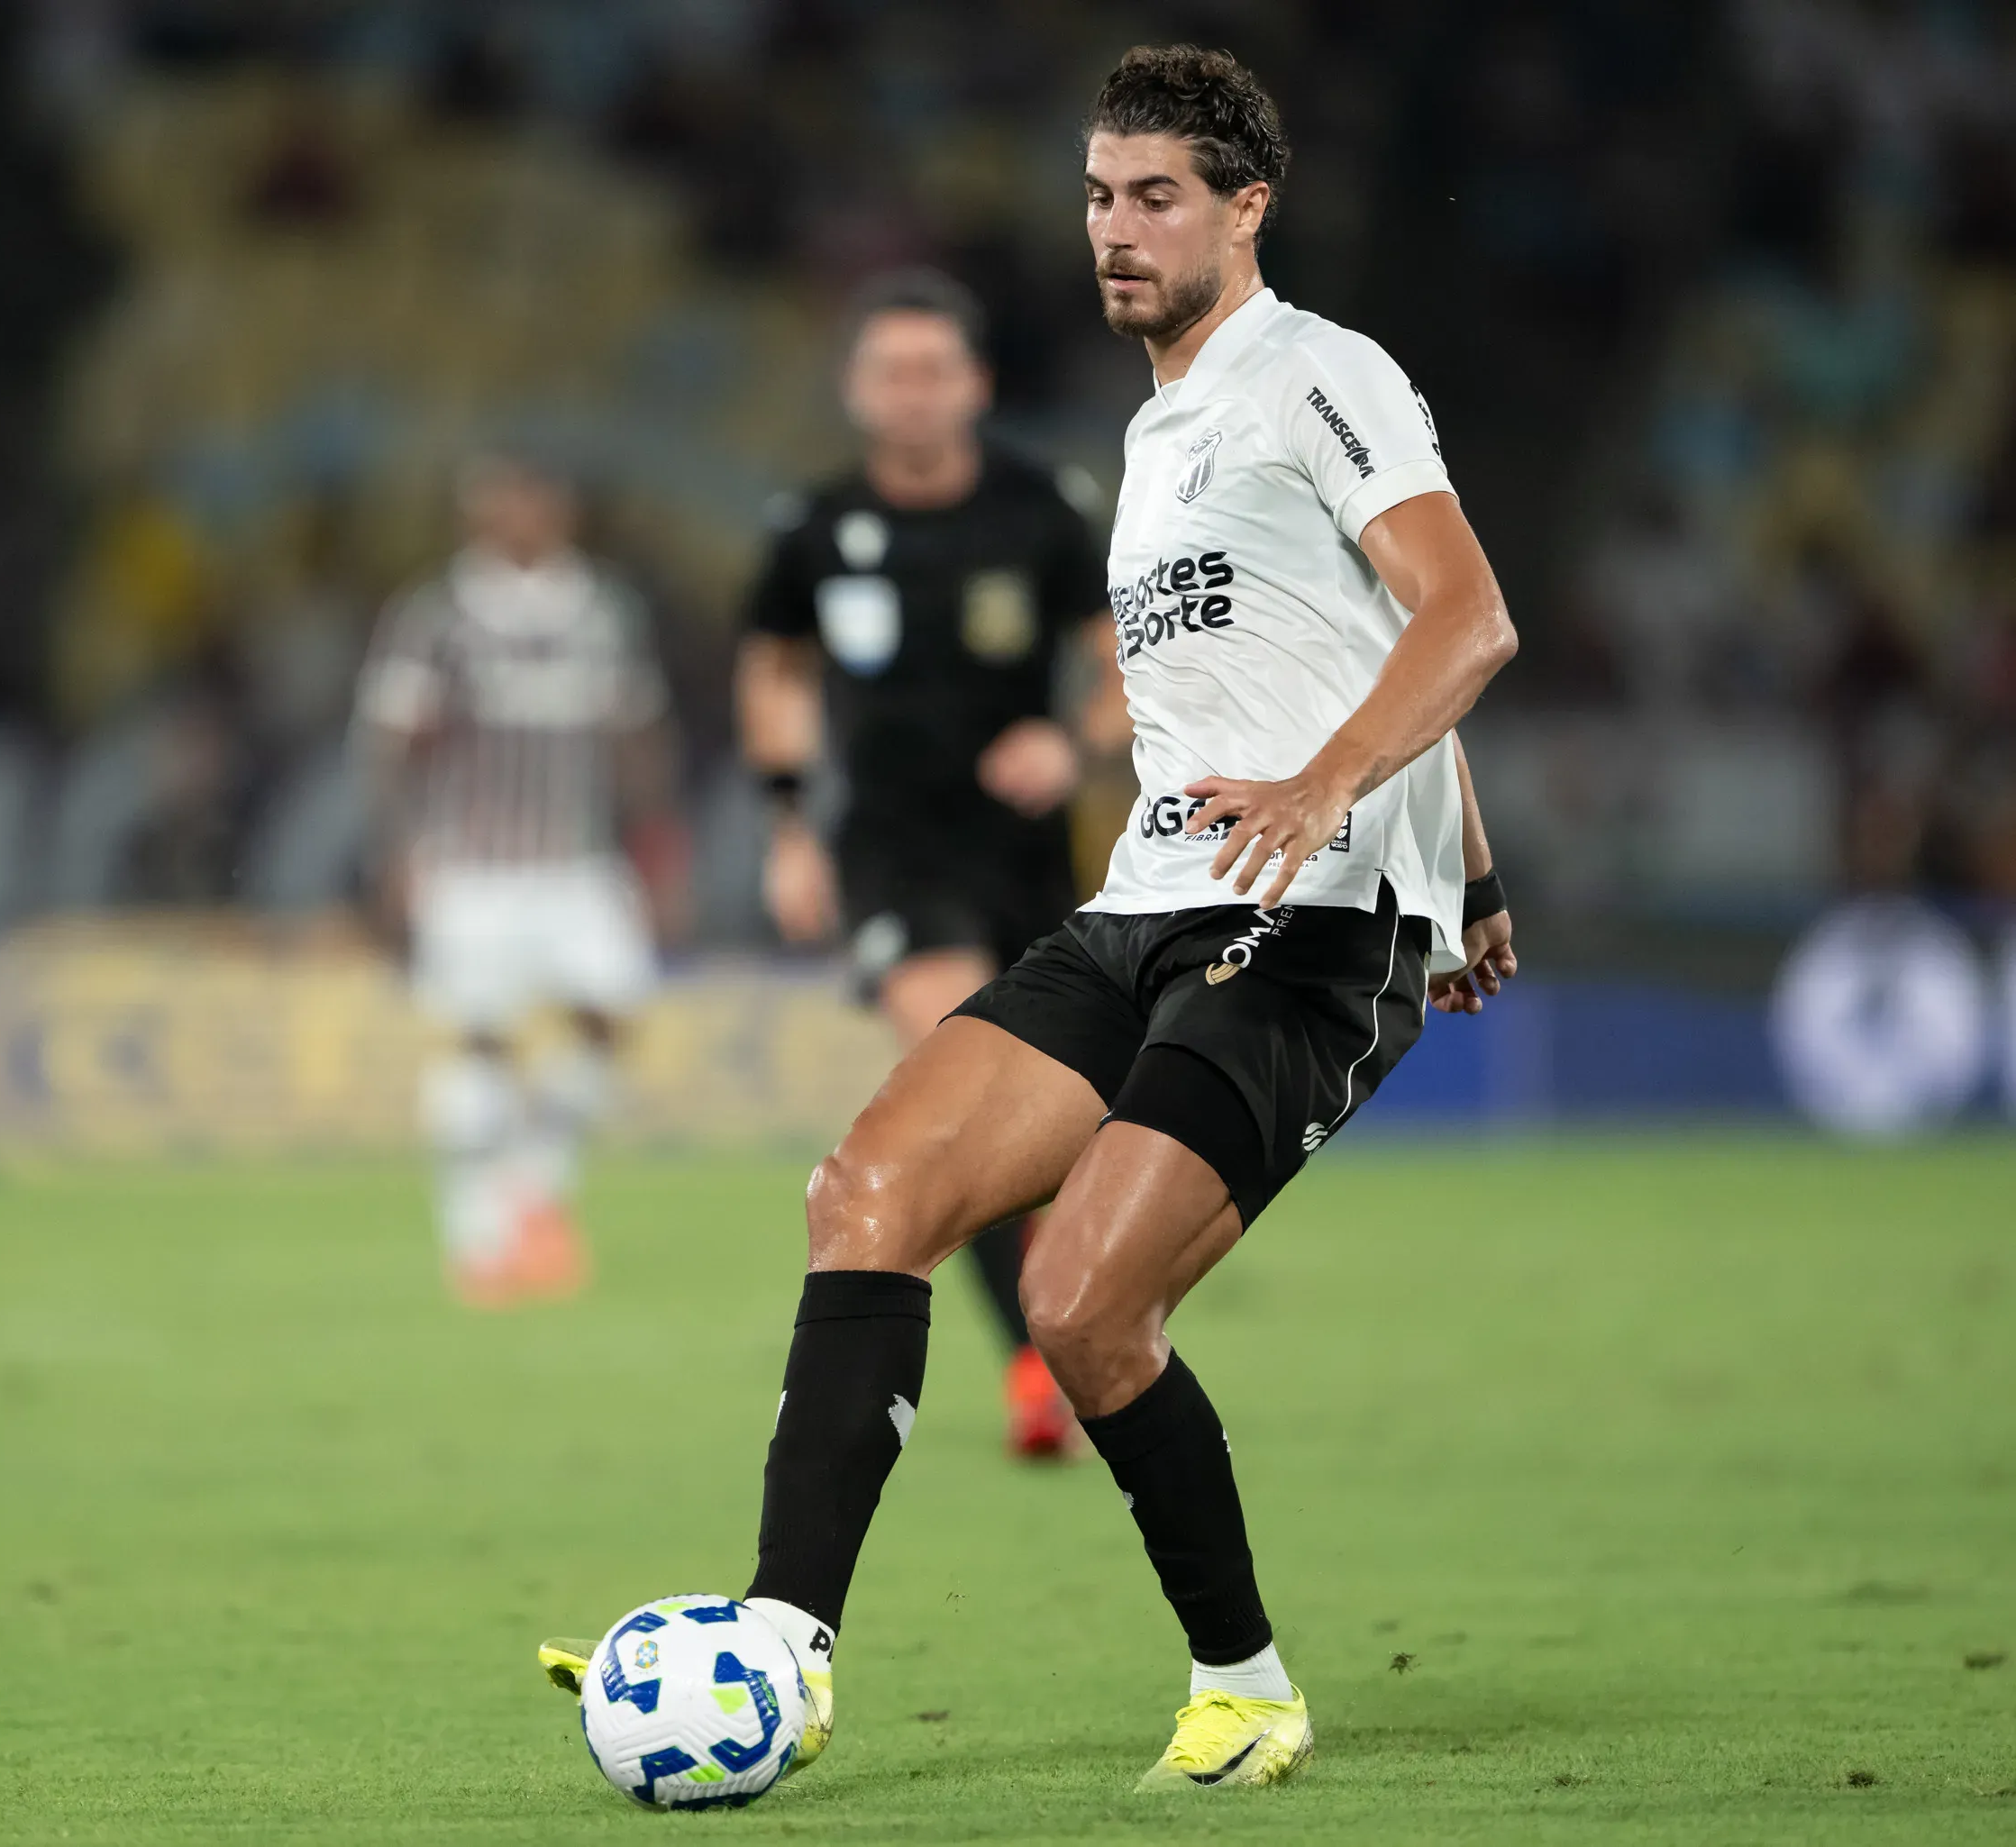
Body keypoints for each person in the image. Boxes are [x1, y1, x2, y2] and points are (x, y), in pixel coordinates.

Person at [545, 44, 1521, 1790]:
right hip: (1146, 892)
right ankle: (785, 1642)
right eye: (1095, 194)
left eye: (1156, 195)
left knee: (1079, 1299)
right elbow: (1358, 647)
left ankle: (1246, 1682)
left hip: (1306, 925)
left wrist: (1352, 817)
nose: (1116, 228)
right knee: (868, 1190)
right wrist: (1484, 859)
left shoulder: (1321, 375)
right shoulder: (1155, 439)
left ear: (1247, 205)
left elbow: (1463, 615)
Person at [738, 268, 1127, 1460]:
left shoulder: (1043, 511)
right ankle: (1036, 1364)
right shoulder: (812, 530)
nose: (911, 393)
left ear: (977, 384)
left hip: (1026, 859)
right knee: (964, 1080)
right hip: (891, 853)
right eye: (889, 371)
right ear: (858, 390)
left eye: (933, 371)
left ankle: (1070, 1327)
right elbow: (776, 670)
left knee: (1052, 1127)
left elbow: (1128, 669)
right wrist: (791, 821)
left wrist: (1067, 739)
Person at [354, 451, 684, 1307]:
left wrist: (658, 843)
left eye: (531, 498)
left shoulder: (602, 610)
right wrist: (395, 851)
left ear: (561, 508)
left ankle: (534, 1188)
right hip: (472, 865)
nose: (514, 515)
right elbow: (391, 740)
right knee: (476, 1037)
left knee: (612, 1016)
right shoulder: (438, 615)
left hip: (577, 863)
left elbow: (637, 731)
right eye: (497, 500)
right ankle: (477, 1236)